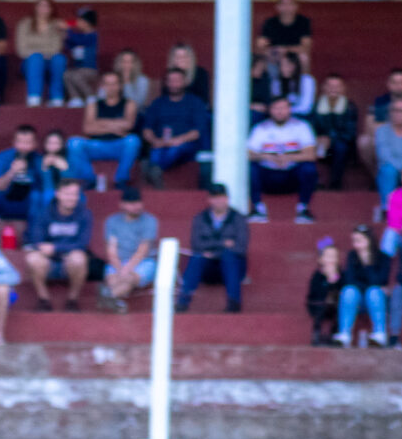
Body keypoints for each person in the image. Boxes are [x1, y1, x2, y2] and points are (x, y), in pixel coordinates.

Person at [176, 184, 249, 313]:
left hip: (232, 268)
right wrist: (223, 243)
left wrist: (213, 251)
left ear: (227, 199)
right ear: (209, 199)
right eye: (215, 198)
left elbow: (241, 248)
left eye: (221, 197)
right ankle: (182, 302)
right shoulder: (200, 218)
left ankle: (234, 303)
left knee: (229, 256)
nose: (218, 201)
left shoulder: (238, 219)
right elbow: (196, 245)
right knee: (197, 257)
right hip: (208, 268)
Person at [22, 178, 93, 311]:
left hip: (71, 259)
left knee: (79, 258)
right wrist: (49, 250)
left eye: (75, 194)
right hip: (48, 261)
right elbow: (37, 240)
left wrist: (56, 248)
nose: (71, 198)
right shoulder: (44, 213)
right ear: (58, 194)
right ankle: (44, 299)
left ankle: (72, 300)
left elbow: (83, 243)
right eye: (67, 194)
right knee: (32, 258)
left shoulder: (85, 214)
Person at [246, 96, 319, 225]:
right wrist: (267, 157)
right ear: (270, 110)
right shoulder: (260, 128)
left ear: (289, 109)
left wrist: (289, 157)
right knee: (250, 168)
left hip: (291, 175)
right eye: (276, 108)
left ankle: (303, 209)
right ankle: (258, 209)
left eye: (283, 108)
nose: (280, 112)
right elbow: (249, 153)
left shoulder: (301, 126)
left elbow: (311, 154)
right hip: (268, 175)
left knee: (309, 168)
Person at [69, 69, 138, 190]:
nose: (111, 87)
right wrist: (115, 126)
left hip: (118, 146)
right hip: (96, 145)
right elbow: (88, 128)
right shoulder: (93, 105)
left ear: (120, 85)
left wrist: (100, 123)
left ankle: (121, 179)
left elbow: (128, 125)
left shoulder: (129, 103)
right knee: (73, 143)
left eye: (114, 83)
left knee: (133, 140)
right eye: (107, 84)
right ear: (102, 86)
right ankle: (89, 179)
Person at [141, 67, 210, 184]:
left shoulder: (195, 103)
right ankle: (154, 169)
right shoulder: (158, 103)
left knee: (175, 150)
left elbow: (197, 132)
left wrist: (176, 140)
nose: (174, 84)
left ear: (185, 82)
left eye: (177, 80)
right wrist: (155, 141)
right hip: (161, 144)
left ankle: (154, 168)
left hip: (185, 145)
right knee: (156, 151)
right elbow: (147, 129)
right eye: (171, 80)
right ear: (166, 83)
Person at [100, 186, 159, 314]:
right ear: (122, 205)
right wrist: (120, 268)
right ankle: (115, 301)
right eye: (132, 203)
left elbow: (143, 249)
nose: (137, 206)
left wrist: (127, 269)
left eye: (138, 202)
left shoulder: (150, 220)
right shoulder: (112, 221)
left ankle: (107, 296)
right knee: (113, 280)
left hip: (144, 261)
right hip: (118, 261)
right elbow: (111, 250)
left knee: (129, 278)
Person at [337, 225, 392, 347]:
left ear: (369, 240)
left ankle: (379, 333)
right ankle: (344, 333)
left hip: (376, 299)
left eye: (360, 241)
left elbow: (380, 280)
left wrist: (367, 262)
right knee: (349, 291)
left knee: (373, 292)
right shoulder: (352, 256)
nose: (356, 245)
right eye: (354, 241)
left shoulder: (383, 257)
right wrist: (366, 286)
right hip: (357, 299)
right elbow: (349, 279)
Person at [0, 125, 45, 225]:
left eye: (28, 143)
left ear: (35, 144)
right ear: (14, 142)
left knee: (37, 197)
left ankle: (31, 239)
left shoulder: (39, 160)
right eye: (20, 142)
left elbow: (43, 187)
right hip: (7, 197)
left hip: (28, 200)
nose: (24, 147)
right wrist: (12, 172)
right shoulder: (3, 156)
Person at [15, 0, 67, 106]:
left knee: (59, 59)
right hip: (30, 63)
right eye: (40, 5)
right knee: (36, 58)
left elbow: (56, 48)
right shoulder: (24, 24)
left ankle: (57, 98)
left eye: (46, 6)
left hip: (50, 62)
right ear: (35, 7)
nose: (43, 9)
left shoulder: (56, 25)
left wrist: (38, 51)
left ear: (51, 9)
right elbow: (21, 50)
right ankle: (34, 98)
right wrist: (40, 54)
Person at [309, 74, 359, 190]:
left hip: (341, 148)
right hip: (320, 145)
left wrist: (330, 139)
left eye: (337, 86)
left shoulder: (350, 107)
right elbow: (311, 128)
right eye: (330, 86)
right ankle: (315, 182)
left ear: (343, 89)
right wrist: (318, 139)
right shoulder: (316, 106)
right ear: (324, 88)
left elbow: (350, 134)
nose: (333, 89)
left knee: (340, 147)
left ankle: (335, 184)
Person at [256, 0, 312, 69]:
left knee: (304, 57)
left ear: (296, 6)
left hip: (294, 55)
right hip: (275, 55)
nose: (287, 7)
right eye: (283, 4)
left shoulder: (303, 22)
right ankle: (272, 81)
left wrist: (286, 49)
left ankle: (304, 80)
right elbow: (260, 46)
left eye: (290, 4)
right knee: (263, 58)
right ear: (277, 7)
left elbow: (306, 47)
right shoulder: (270, 22)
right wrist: (274, 50)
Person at [306, 240, 343, 345]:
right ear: (321, 259)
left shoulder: (341, 275)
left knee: (337, 306)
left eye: (334, 256)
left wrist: (334, 280)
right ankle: (317, 333)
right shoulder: (317, 276)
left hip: (335, 306)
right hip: (318, 305)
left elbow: (341, 290)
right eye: (328, 256)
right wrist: (327, 280)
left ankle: (334, 334)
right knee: (323, 304)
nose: (331, 260)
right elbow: (316, 293)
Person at [62, 7, 100, 103]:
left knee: (76, 76)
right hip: (78, 68)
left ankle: (91, 96)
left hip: (90, 69)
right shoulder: (79, 35)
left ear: (87, 22)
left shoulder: (93, 35)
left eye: (80, 20)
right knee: (66, 75)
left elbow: (81, 41)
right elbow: (69, 45)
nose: (77, 22)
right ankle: (75, 98)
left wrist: (68, 29)